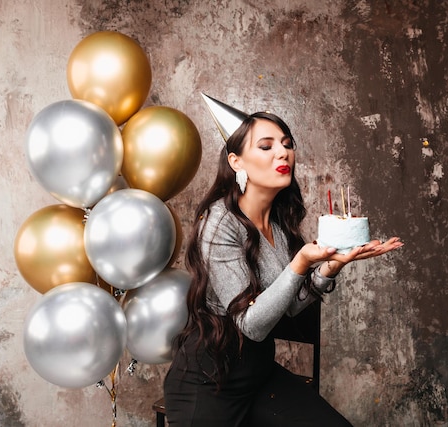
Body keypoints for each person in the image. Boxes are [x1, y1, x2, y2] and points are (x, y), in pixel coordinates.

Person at [163, 98, 403, 427]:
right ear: (236, 161)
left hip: (259, 375)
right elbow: (251, 324)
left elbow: (286, 307)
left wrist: (330, 268)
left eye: (287, 145)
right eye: (266, 146)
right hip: (208, 381)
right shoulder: (219, 221)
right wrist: (301, 264)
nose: (283, 153)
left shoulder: (278, 225)